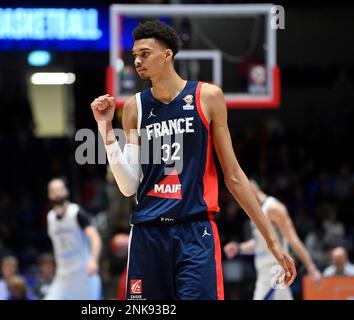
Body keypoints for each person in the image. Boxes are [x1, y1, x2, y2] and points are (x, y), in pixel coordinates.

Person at [90, 20, 296, 300]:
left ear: (167, 55)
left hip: (194, 231)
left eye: (145, 53)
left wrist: (272, 241)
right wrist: (104, 130)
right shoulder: (134, 107)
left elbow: (234, 176)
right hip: (147, 233)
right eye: (135, 55)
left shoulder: (208, 97)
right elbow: (128, 187)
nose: (137, 61)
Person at [224, 180, 322, 300]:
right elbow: (260, 243)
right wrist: (239, 248)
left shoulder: (274, 208)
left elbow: (293, 239)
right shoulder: (256, 211)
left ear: (250, 191)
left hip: (274, 270)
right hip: (264, 271)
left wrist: (310, 267)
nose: (240, 202)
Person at [44, 177, 102, 300]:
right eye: (53, 190)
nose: (57, 193)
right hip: (62, 277)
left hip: (84, 275)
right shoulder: (50, 218)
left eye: (60, 189)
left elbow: (95, 237)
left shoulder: (76, 213)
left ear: (66, 191)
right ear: (49, 195)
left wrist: (93, 260)